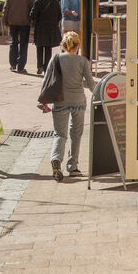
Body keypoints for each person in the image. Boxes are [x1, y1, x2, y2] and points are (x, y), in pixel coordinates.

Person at [42, 31, 94, 181]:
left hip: (60, 101)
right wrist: (99, 94)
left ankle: (56, 158)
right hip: (78, 101)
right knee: (76, 134)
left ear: (63, 45)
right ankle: (72, 167)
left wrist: (43, 100)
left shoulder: (56, 58)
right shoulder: (83, 61)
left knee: (60, 134)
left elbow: (46, 79)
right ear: (78, 45)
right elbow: (90, 83)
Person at [3, 0, 35, 73]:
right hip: (25, 23)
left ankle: (13, 64)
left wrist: (5, 22)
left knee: (14, 42)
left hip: (13, 23)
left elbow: (5, 10)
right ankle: (21, 66)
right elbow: (33, 10)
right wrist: (33, 22)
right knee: (24, 44)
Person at [30, 0, 62, 75]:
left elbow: (32, 15)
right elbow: (59, 16)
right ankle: (47, 67)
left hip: (40, 28)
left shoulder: (38, 2)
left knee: (39, 48)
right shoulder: (55, 2)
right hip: (51, 29)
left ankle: (39, 66)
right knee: (48, 49)